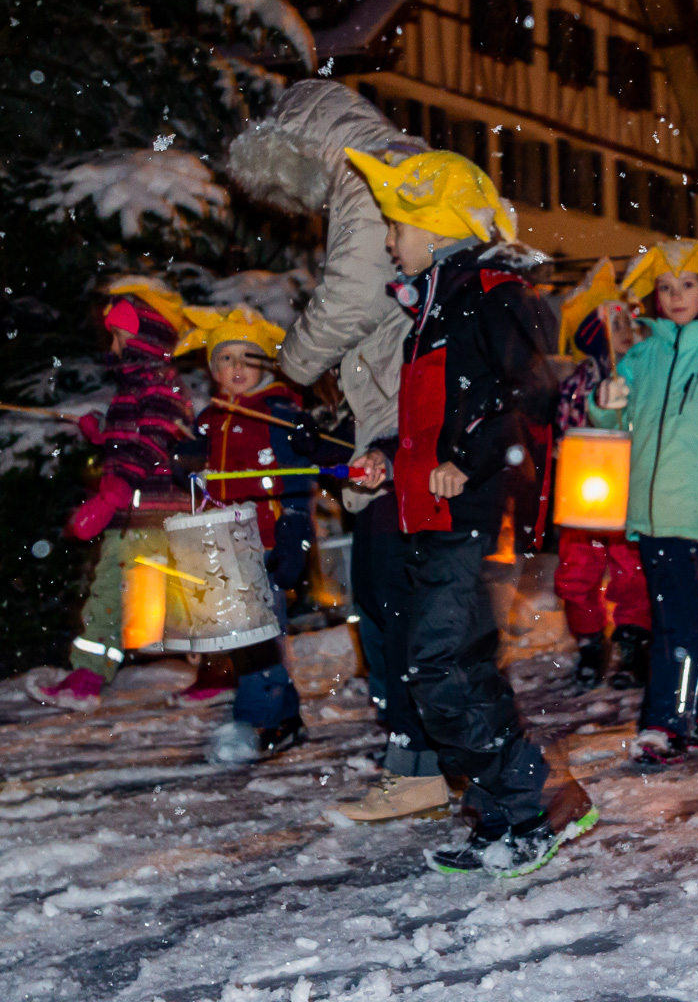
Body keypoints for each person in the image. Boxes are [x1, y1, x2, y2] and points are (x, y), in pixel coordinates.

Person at [343, 148, 594, 877]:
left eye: (397, 226)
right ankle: (499, 812)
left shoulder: (492, 293)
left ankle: (537, 800)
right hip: (429, 510)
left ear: (437, 227)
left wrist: (470, 459)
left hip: (473, 510)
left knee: (441, 665)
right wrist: (387, 454)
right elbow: (437, 416)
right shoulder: (433, 306)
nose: (391, 241)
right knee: (452, 667)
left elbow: (527, 393)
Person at [224, 82, 444, 824]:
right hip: (395, 412)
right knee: (393, 599)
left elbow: (356, 291)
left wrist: (294, 360)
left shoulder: (367, 173)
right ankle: (417, 756)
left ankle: (420, 761)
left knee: (390, 601)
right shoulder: (389, 163)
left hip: (398, 415)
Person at [586, 241, 698, 764]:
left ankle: (667, 722)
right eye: (665, 287)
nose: (675, 296)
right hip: (647, 510)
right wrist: (604, 404)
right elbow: (617, 422)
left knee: (674, 618)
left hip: (695, 504)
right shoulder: (643, 356)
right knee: (677, 613)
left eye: (687, 284)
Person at [27, 278, 194, 712]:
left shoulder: (159, 383)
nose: (115, 346)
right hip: (133, 507)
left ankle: (90, 676)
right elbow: (134, 435)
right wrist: (103, 433)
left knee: (117, 592)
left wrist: (120, 486)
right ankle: (90, 672)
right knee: (118, 590)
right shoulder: (136, 385)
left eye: (121, 336)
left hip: (148, 509)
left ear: (147, 337)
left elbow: (156, 439)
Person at [174, 305, 312, 761]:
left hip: (264, 538)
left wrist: (294, 529)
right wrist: (187, 461)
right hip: (222, 541)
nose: (236, 367)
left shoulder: (277, 413)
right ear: (214, 370)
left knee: (254, 636)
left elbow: (297, 477)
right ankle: (284, 715)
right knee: (244, 634)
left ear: (265, 365)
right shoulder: (211, 419)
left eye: (247, 358)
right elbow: (202, 473)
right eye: (225, 358)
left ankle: (258, 719)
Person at [552, 258, 651, 690]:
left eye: (630, 323)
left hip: (629, 494)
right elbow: (565, 437)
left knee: (632, 573)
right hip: (586, 499)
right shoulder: (576, 386)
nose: (627, 331)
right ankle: (590, 642)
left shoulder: (643, 380)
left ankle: (632, 641)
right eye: (616, 324)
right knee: (577, 573)